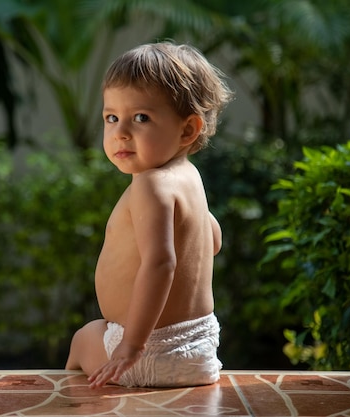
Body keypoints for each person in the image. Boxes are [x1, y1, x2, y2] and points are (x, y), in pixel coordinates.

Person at [65, 41, 233, 389]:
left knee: (85, 337)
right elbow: (213, 241)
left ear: (188, 129)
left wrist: (132, 346)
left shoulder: (150, 186)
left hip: (149, 355)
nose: (121, 132)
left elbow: (160, 264)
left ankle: (71, 398)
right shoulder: (189, 178)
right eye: (112, 118)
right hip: (201, 350)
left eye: (141, 118)